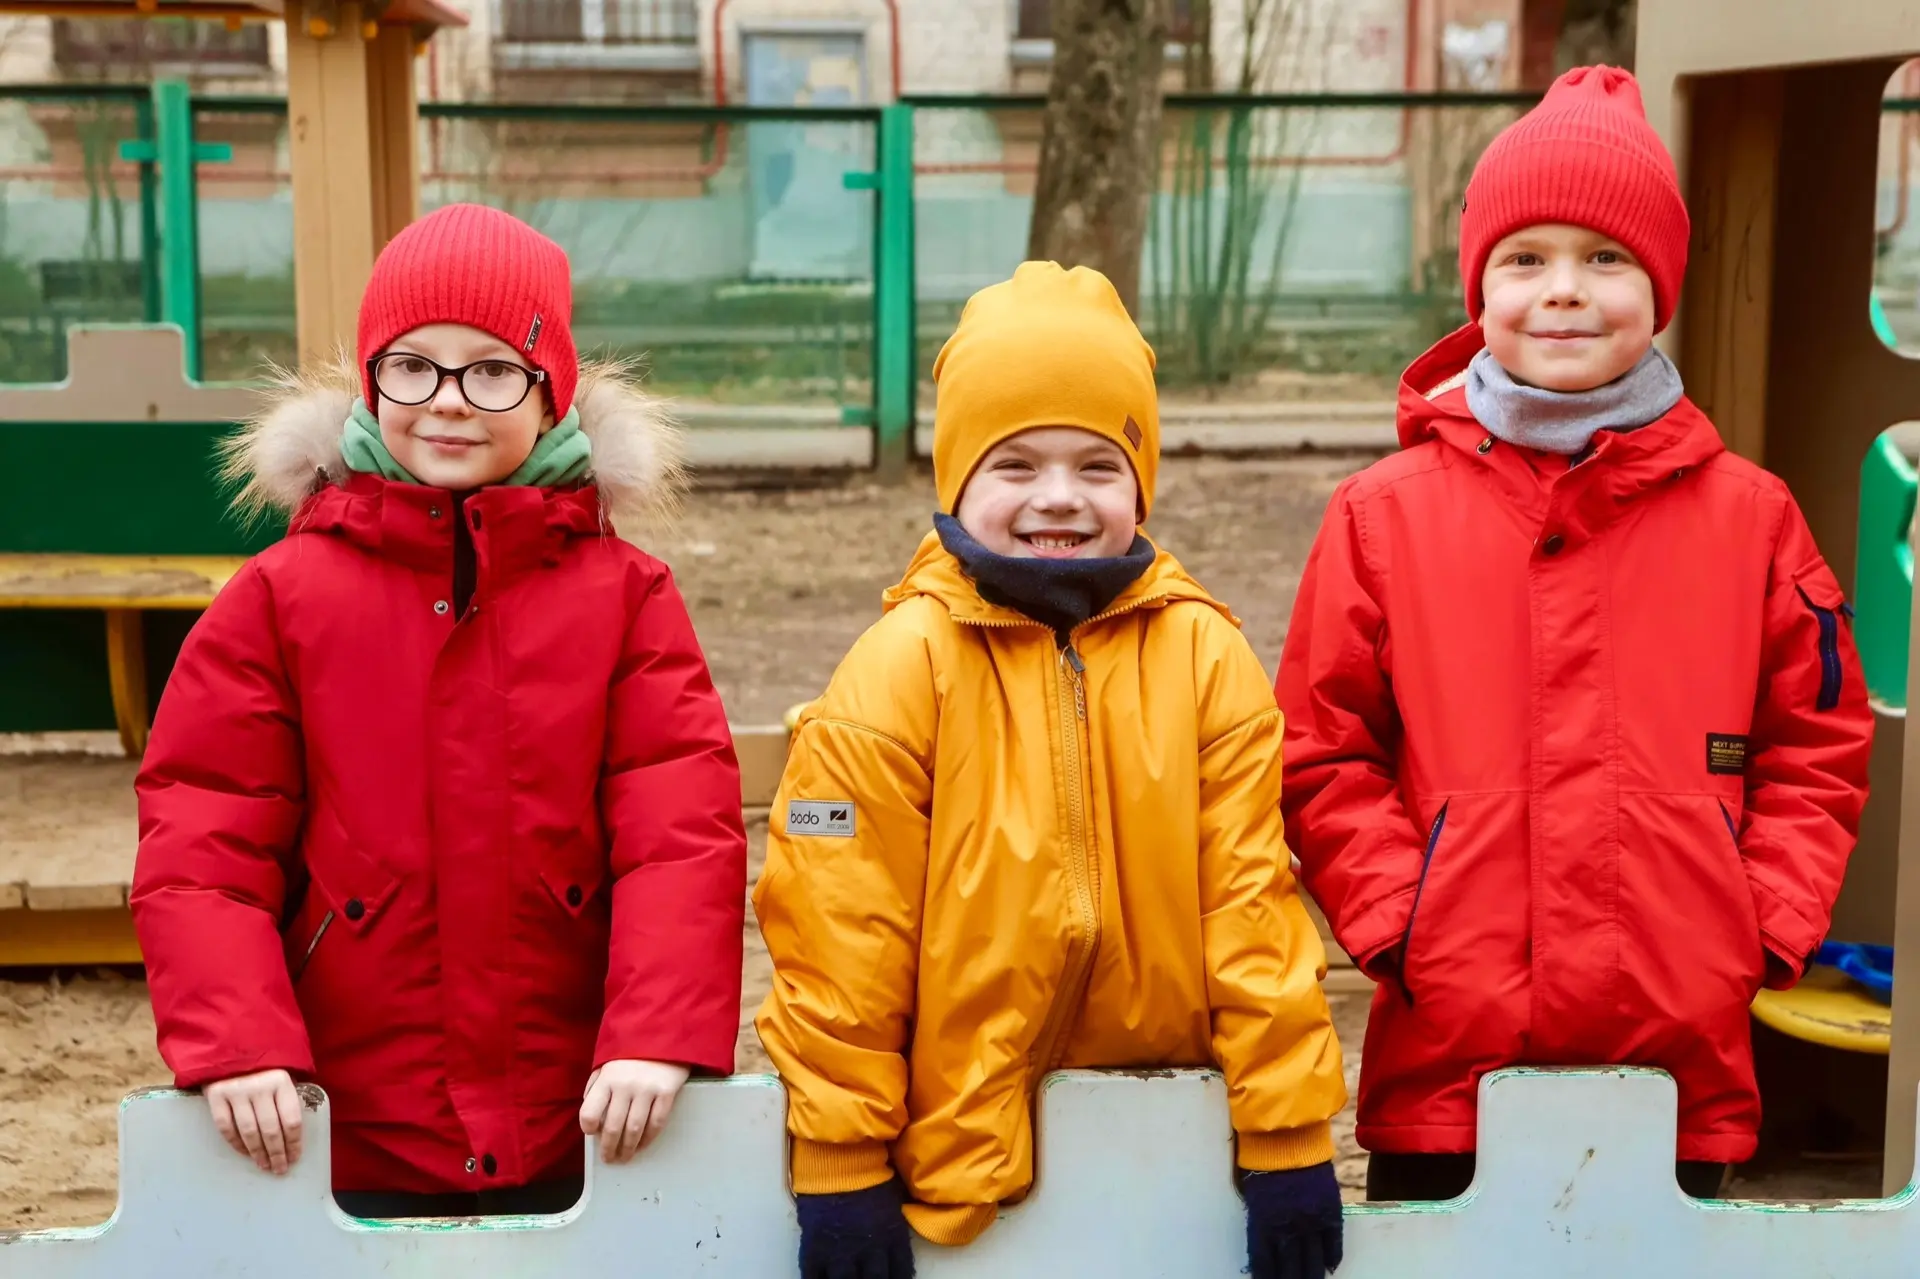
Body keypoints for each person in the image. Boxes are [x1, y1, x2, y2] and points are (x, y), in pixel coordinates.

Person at [1277, 66, 1874, 1204]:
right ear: (1478, 286)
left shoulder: (1751, 518)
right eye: (1525, 259)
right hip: (1454, 1063)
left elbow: (1818, 741)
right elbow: (1321, 748)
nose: (1563, 291)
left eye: (1605, 258)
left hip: (1678, 1062)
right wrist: (1404, 923)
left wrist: (1757, 926)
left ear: (1660, 288)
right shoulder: (1382, 515)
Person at [131, 203, 747, 1218]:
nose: (450, 401)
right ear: (372, 379)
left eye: (493, 370)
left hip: (577, 1103)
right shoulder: (280, 598)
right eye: (413, 366)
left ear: (549, 393)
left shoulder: (625, 595)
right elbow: (205, 834)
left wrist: (656, 1030)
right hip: (348, 1108)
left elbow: (678, 834)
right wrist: (236, 1040)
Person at [755, 261, 1348, 1279]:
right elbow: (842, 927)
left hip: (1170, 1143)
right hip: (953, 1154)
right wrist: (842, 1159)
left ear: (1142, 481)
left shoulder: (1205, 659)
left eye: (1099, 464)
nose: (1060, 497)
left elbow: (1251, 906)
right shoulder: (902, 667)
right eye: (1016, 464)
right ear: (958, 480)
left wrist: (1288, 1135)